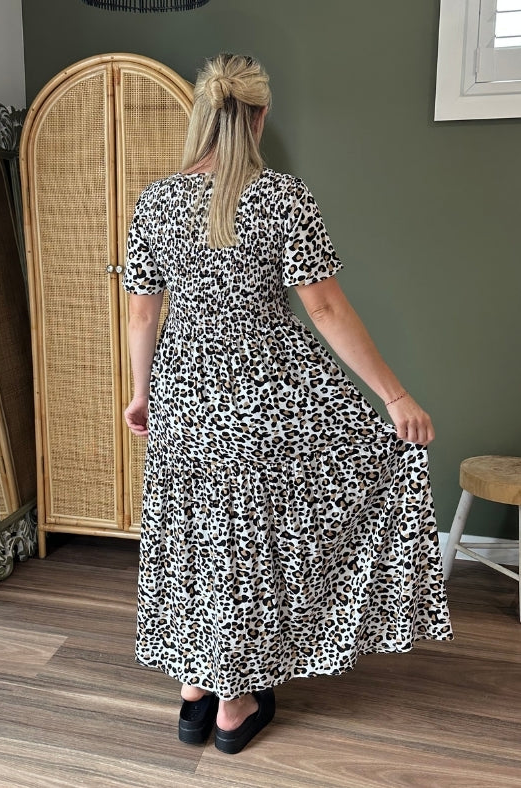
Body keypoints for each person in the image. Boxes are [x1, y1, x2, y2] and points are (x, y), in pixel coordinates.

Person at [123, 53, 453, 755]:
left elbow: (141, 318)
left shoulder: (153, 201)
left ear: (202, 116)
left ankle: (193, 693)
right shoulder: (283, 197)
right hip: (265, 396)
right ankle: (233, 704)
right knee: (245, 544)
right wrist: (394, 397)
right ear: (260, 115)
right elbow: (326, 307)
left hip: (182, 392)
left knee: (195, 535)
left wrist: (140, 394)